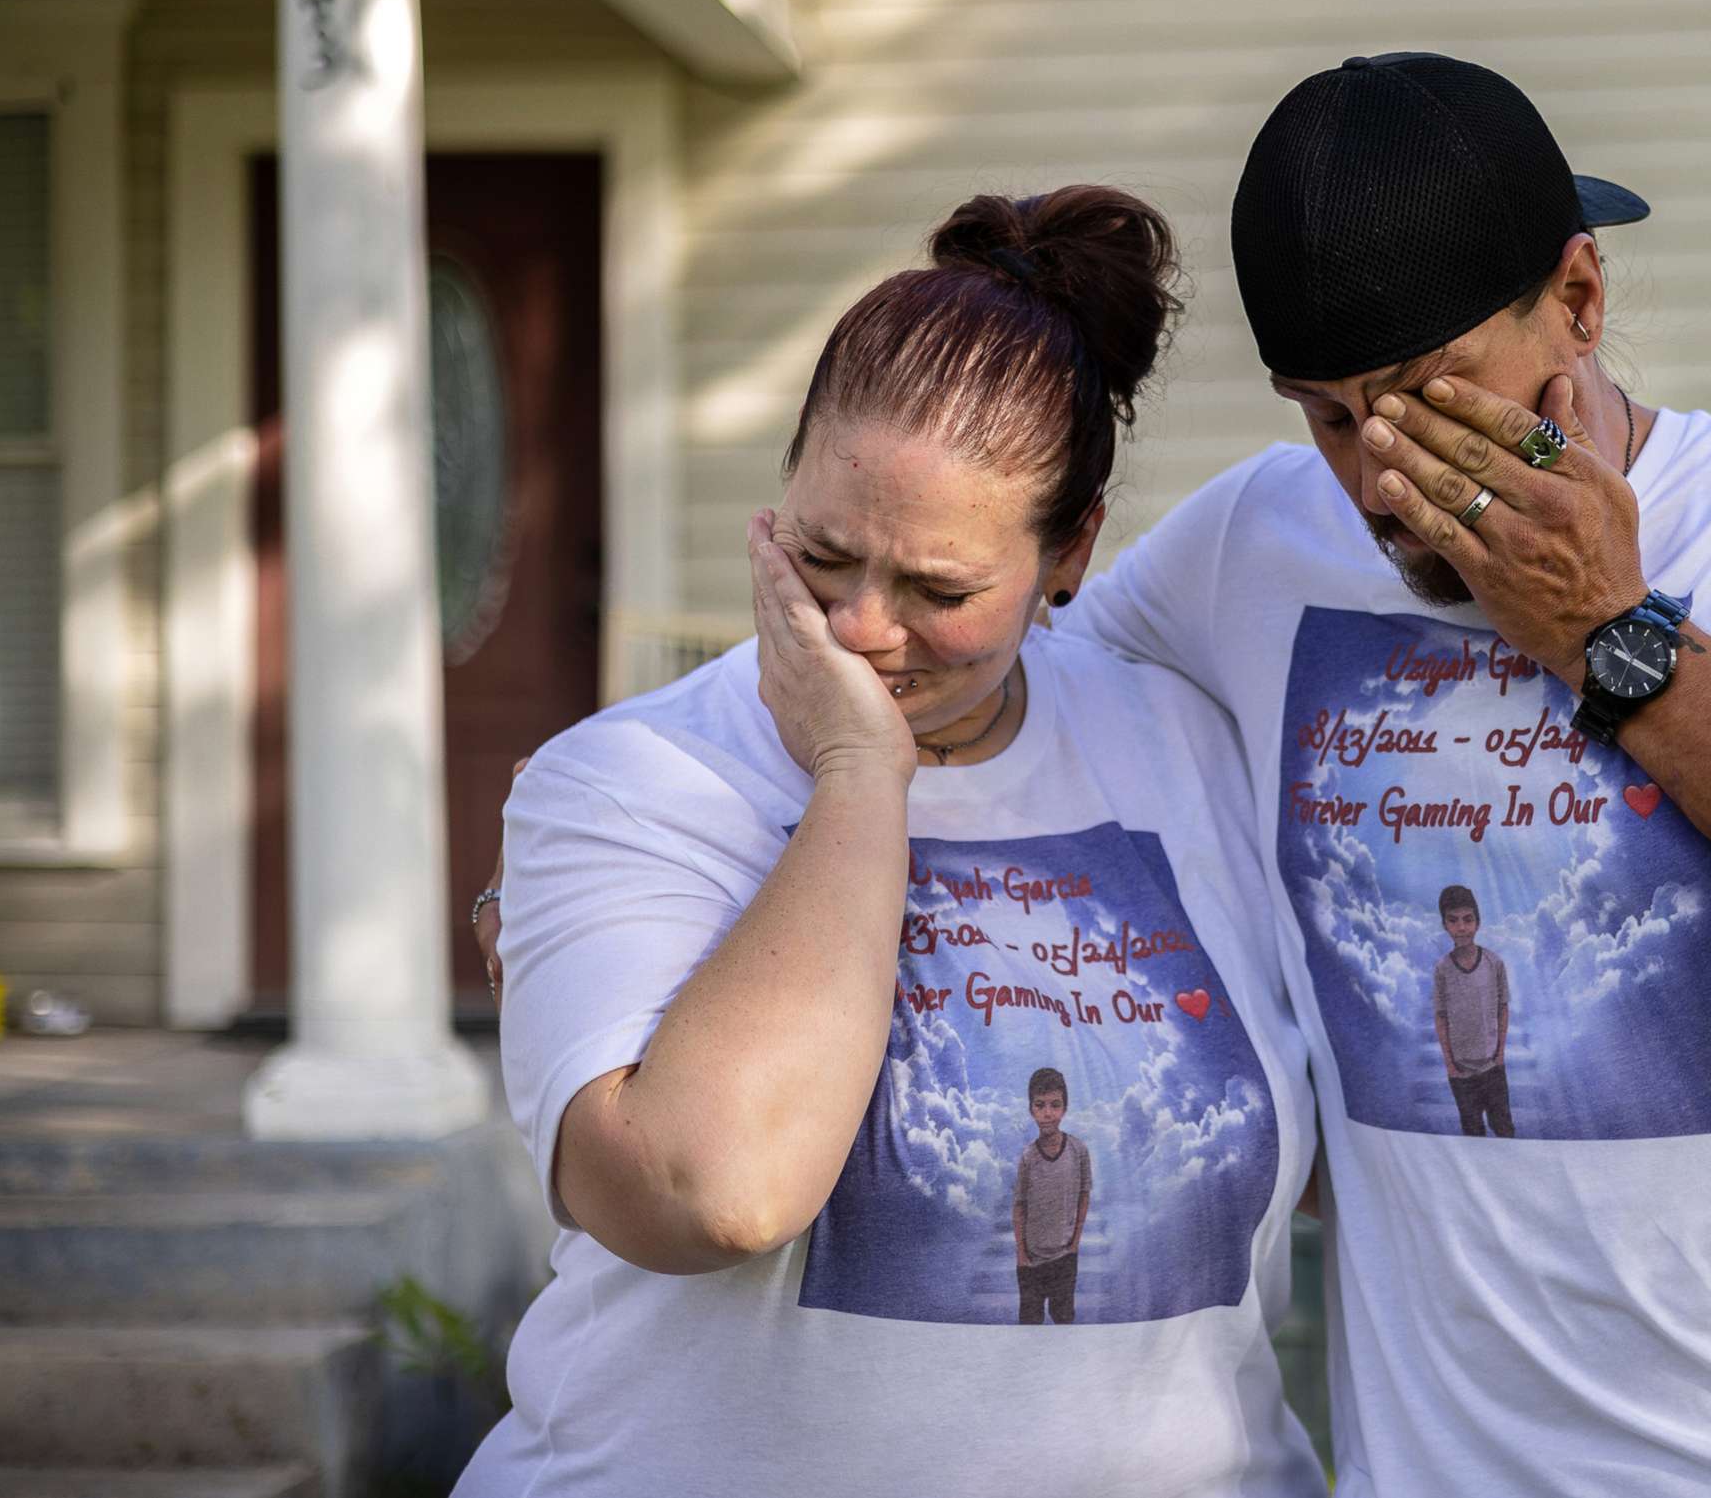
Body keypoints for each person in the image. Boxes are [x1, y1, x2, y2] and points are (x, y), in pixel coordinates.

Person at [1059, 53, 1711, 1495]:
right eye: (1327, 413)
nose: (1376, 480)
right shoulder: (1248, 546)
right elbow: (1005, 713)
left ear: (1581, 300)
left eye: (1425, 401)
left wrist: (1618, 640)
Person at [456, 187, 1324, 1498]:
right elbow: (713, 1192)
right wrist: (863, 773)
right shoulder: (631, 785)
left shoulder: (1185, 743)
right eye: (824, 554)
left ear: (1071, 554)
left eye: (939, 590)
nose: (862, 629)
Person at [1012, 1065, 1092, 1323]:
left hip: (1065, 1258)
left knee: (1063, 1321)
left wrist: (1075, 1243)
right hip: (1031, 1261)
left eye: (1055, 1105)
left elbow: (1083, 1196)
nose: (1048, 1113)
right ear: (1031, 1109)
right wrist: (1022, 1255)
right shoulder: (1028, 1157)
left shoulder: (1078, 1151)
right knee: (1030, 1325)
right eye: (1040, 1105)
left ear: (1065, 1108)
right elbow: (1019, 1207)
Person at [1429, 884, 1511, 1137]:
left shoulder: (1494, 963)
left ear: (1478, 922)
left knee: (1504, 1128)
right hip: (1461, 1072)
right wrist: (1450, 1066)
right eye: (1453, 921)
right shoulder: (1442, 969)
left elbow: (1502, 1008)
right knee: (1473, 1132)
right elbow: (1441, 1017)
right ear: (1445, 925)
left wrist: (1499, 1056)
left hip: (1492, 1068)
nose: (1461, 927)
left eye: (1468, 919)